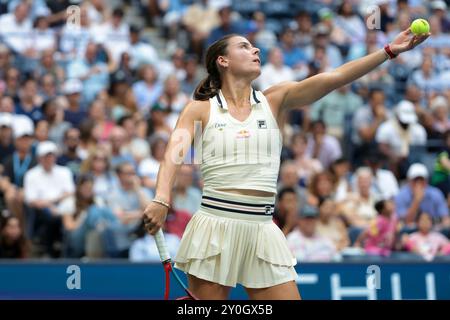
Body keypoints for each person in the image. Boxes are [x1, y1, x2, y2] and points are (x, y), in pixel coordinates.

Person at [143, 31, 429, 300]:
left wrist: (389, 51)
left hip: (263, 229)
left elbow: (336, 77)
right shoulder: (200, 108)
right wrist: (161, 198)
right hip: (216, 225)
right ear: (223, 60)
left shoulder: (274, 99)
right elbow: (174, 154)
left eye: (254, 46)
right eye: (244, 46)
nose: (255, 49)